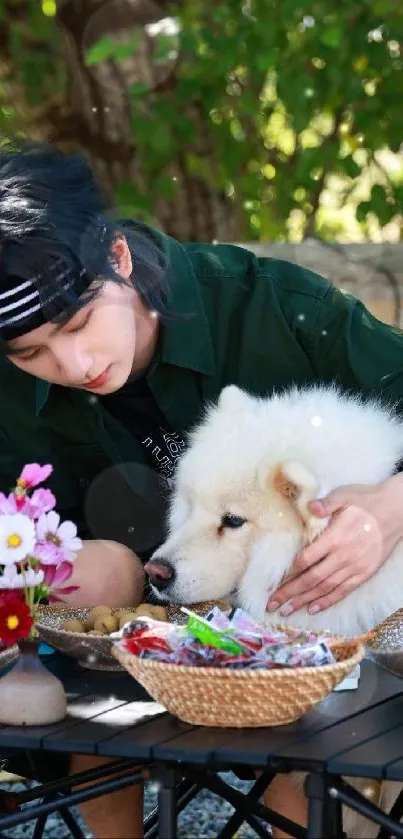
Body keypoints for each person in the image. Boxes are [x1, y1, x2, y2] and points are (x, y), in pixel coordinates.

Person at [0, 139, 403, 839]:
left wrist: (389, 507)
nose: (73, 362)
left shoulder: (274, 306)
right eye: (31, 353)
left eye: (78, 323)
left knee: (316, 778)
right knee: (92, 581)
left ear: (119, 258)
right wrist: (49, 573)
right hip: (123, 659)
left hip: (332, 626)